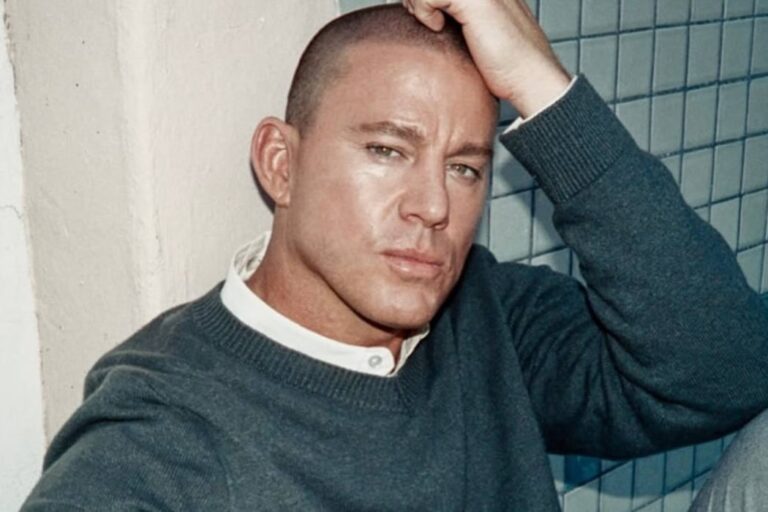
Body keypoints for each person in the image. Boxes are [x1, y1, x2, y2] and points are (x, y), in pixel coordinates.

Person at [22, 1, 768, 510]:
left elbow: (726, 370)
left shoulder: (486, 313)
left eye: (464, 167)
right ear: (280, 164)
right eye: (387, 150)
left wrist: (544, 89)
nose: (434, 206)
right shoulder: (165, 432)